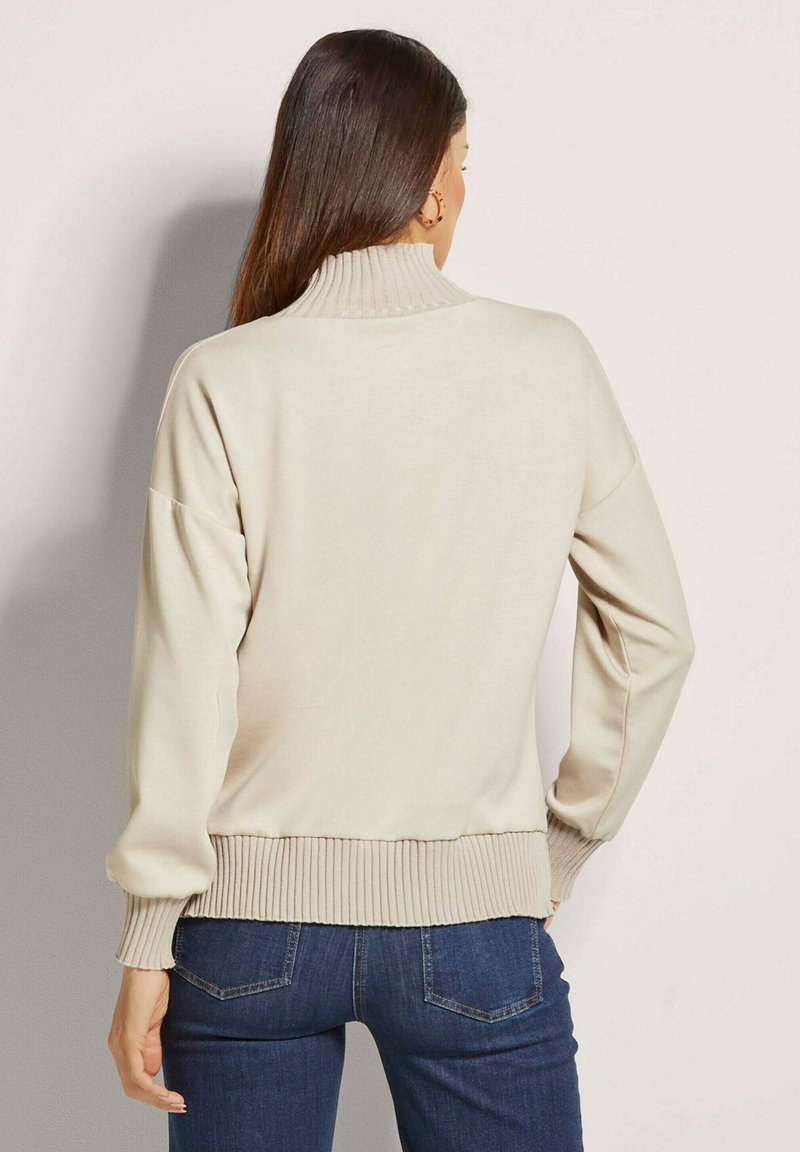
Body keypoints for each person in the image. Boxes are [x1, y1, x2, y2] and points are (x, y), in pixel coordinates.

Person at [104, 28, 694, 1152]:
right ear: (427, 187)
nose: (463, 189)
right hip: (475, 928)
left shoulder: (222, 379)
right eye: (462, 163)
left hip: (246, 929)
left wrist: (146, 937)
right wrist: (557, 847)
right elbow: (653, 634)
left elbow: (184, 678)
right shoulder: (548, 363)